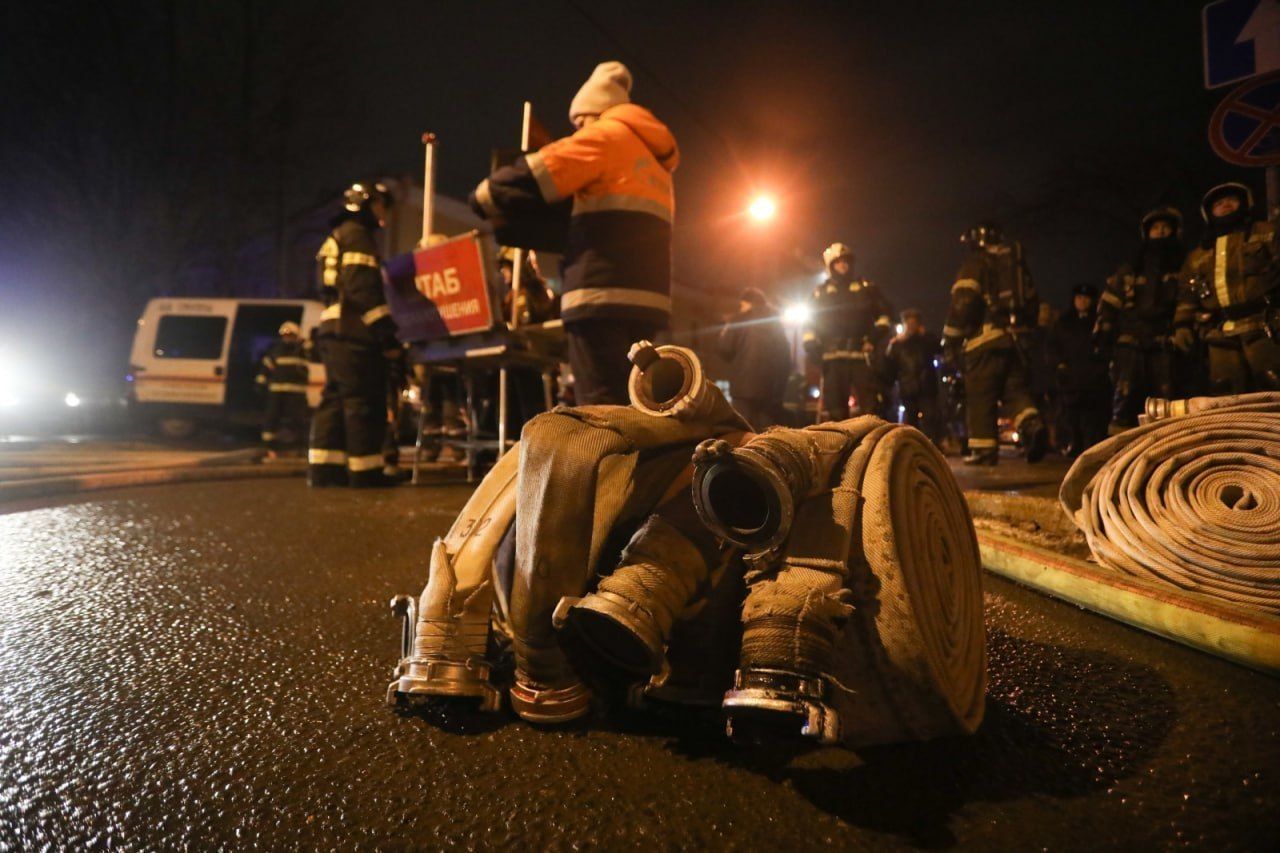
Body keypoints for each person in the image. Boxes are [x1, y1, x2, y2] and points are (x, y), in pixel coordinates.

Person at [470, 61, 677, 404]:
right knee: (638, 405)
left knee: (600, 411)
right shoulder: (655, 161)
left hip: (599, 295)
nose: (578, 130)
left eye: (580, 122)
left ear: (596, 112)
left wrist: (482, 197)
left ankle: (604, 459)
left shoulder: (606, 135)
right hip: (648, 302)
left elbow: (536, 172)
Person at [309, 181, 403, 487]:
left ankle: (326, 470)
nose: (382, 213)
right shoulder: (358, 236)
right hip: (351, 332)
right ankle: (366, 472)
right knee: (362, 400)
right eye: (380, 205)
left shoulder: (336, 236)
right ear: (366, 204)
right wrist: (387, 333)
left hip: (332, 330)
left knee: (335, 400)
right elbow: (362, 289)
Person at [942, 221, 1047, 465]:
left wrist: (950, 337)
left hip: (983, 343)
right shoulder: (1015, 268)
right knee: (1015, 392)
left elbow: (963, 302)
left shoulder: (975, 264)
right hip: (1012, 341)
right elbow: (1032, 305)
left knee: (981, 395)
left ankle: (984, 450)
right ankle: (1032, 424)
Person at [1173, 182, 1280, 394]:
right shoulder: (1198, 255)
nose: (1226, 205)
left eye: (1232, 199)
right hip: (1219, 335)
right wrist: (1182, 325)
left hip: (1264, 327)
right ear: (1209, 213)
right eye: (1219, 203)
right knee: (1227, 393)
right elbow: (1187, 293)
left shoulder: (1266, 233)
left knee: (1273, 386)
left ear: (1245, 203)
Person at [1096, 206, 1183, 432]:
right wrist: (1103, 335)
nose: (1161, 232)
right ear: (1147, 233)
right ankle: (1119, 452)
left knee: (1166, 400)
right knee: (1124, 396)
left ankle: (1165, 447)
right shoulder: (1130, 269)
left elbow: (1187, 301)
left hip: (1165, 342)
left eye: (1165, 228)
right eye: (1155, 228)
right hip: (1130, 343)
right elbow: (1109, 302)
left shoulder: (1182, 266)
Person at [803, 242, 894, 421]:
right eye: (838, 262)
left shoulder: (866, 288)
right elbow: (809, 323)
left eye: (846, 261)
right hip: (832, 357)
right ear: (830, 266)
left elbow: (885, 316)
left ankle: (871, 443)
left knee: (871, 406)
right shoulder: (820, 293)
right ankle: (840, 445)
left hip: (860, 355)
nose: (843, 265)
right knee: (835, 408)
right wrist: (811, 346)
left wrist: (873, 340)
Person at [716, 287, 791, 430]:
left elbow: (724, 348)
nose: (741, 308)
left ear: (748, 303)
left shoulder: (739, 320)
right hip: (770, 389)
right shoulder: (776, 323)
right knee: (766, 431)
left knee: (743, 429)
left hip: (743, 388)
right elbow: (785, 356)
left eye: (742, 305)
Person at [1049, 285, 1110, 456]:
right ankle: (1072, 443)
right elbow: (1053, 346)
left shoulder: (1098, 322)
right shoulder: (1064, 322)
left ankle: (1091, 447)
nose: (1082, 301)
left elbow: (1105, 346)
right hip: (1070, 377)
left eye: (1086, 298)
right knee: (1070, 414)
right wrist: (1059, 364)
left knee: (1092, 416)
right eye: (1079, 298)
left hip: (1093, 377)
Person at [884, 308, 942, 443]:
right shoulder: (898, 343)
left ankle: (933, 446)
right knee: (911, 421)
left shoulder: (926, 340)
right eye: (908, 323)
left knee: (930, 419)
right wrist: (892, 345)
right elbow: (889, 364)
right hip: (907, 387)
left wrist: (925, 334)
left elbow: (939, 348)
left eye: (913, 323)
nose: (911, 327)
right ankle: (913, 447)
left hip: (927, 387)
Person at [256, 321, 311, 458]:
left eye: (290, 335)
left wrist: (307, 344)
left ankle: (301, 447)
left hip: (296, 393)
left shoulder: (303, 350)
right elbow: (266, 367)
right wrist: (260, 383)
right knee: (271, 418)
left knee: (299, 420)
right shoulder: (276, 350)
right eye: (285, 335)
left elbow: (315, 355)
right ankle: (268, 446)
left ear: (297, 336)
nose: (287, 338)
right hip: (277, 391)